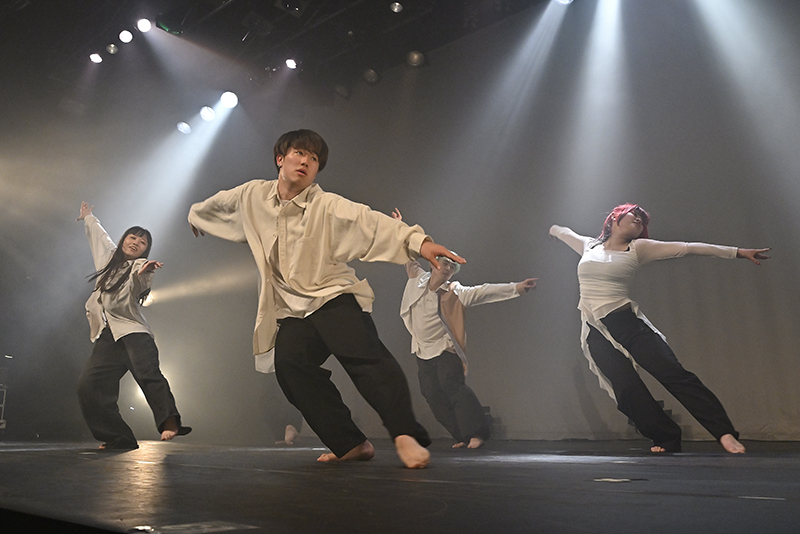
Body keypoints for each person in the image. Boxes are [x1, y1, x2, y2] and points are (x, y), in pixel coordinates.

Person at [187, 129, 464, 468]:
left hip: (332, 296)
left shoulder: (327, 205)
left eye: (314, 158)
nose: (305, 161)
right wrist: (197, 215)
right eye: (299, 153)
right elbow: (219, 203)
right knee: (290, 368)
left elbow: (372, 223)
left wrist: (420, 243)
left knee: (366, 360)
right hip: (292, 309)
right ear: (280, 159)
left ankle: (405, 434)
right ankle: (350, 443)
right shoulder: (253, 195)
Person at [550, 203, 769, 453]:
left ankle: (724, 433)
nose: (639, 221)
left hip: (628, 325)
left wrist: (737, 252)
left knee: (675, 376)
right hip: (595, 330)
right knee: (626, 389)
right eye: (635, 215)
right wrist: (554, 229)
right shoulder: (589, 246)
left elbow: (689, 248)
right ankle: (665, 437)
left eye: (643, 221)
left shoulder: (639, 248)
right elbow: (567, 233)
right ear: (614, 218)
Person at [392, 208, 537, 449]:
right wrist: (400, 225)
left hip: (445, 348)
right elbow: (408, 253)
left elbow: (486, 291)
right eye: (445, 263)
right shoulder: (416, 278)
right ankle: (461, 435)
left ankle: (477, 433)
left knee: (452, 386)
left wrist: (517, 287)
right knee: (431, 394)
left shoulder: (456, 293)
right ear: (434, 263)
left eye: (452, 267)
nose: (448, 269)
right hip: (422, 349)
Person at [76, 201, 190, 450]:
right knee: (89, 385)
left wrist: (145, 271)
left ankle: (170, 420)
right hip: (109, 336)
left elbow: (141, 282)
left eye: (143, 242)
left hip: (134, 334)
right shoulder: (108, 259)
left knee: (147, 374)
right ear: (124, 240)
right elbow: (100, 237)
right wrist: (89, 217)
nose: (136, 242)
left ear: (145, 250)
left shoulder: (141, 266)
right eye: (133, 237)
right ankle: (119, 437)